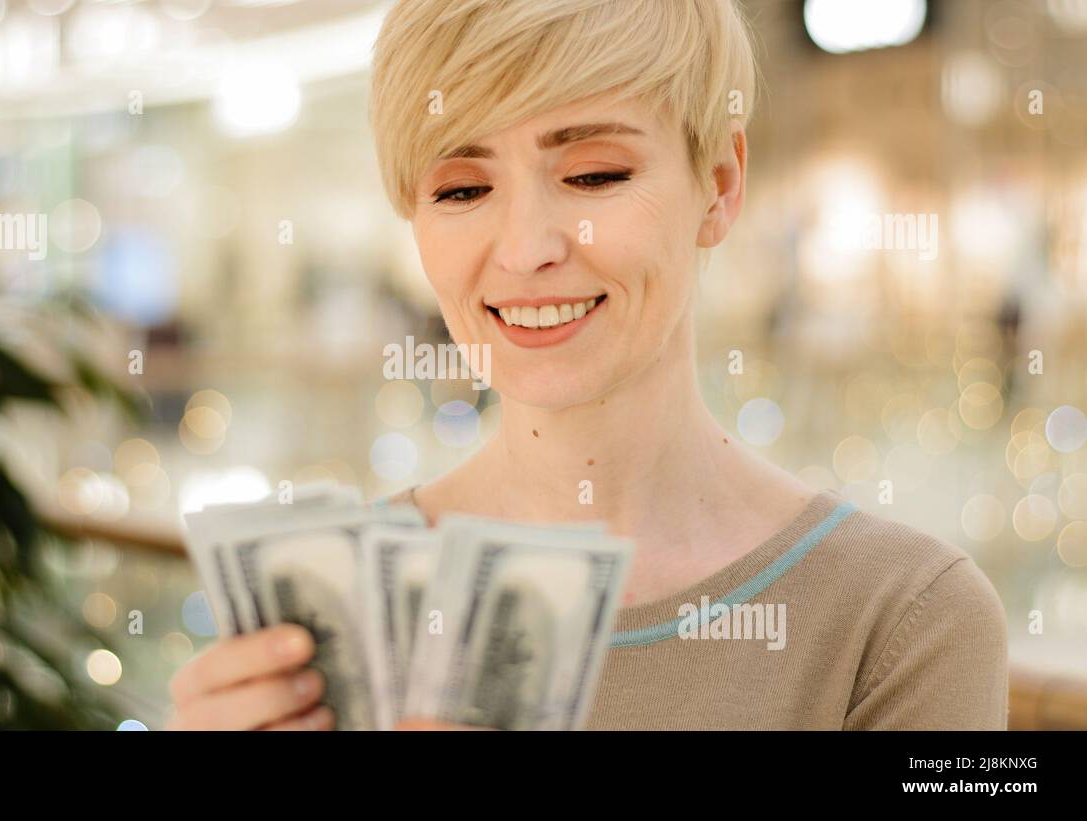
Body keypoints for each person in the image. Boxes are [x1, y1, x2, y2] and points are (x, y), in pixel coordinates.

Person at [168, 0, 1008, 731]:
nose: (528, 249)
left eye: (594, 174)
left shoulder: (909, 620)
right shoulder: (321, 620)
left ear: (719, 183)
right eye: (462, 189)